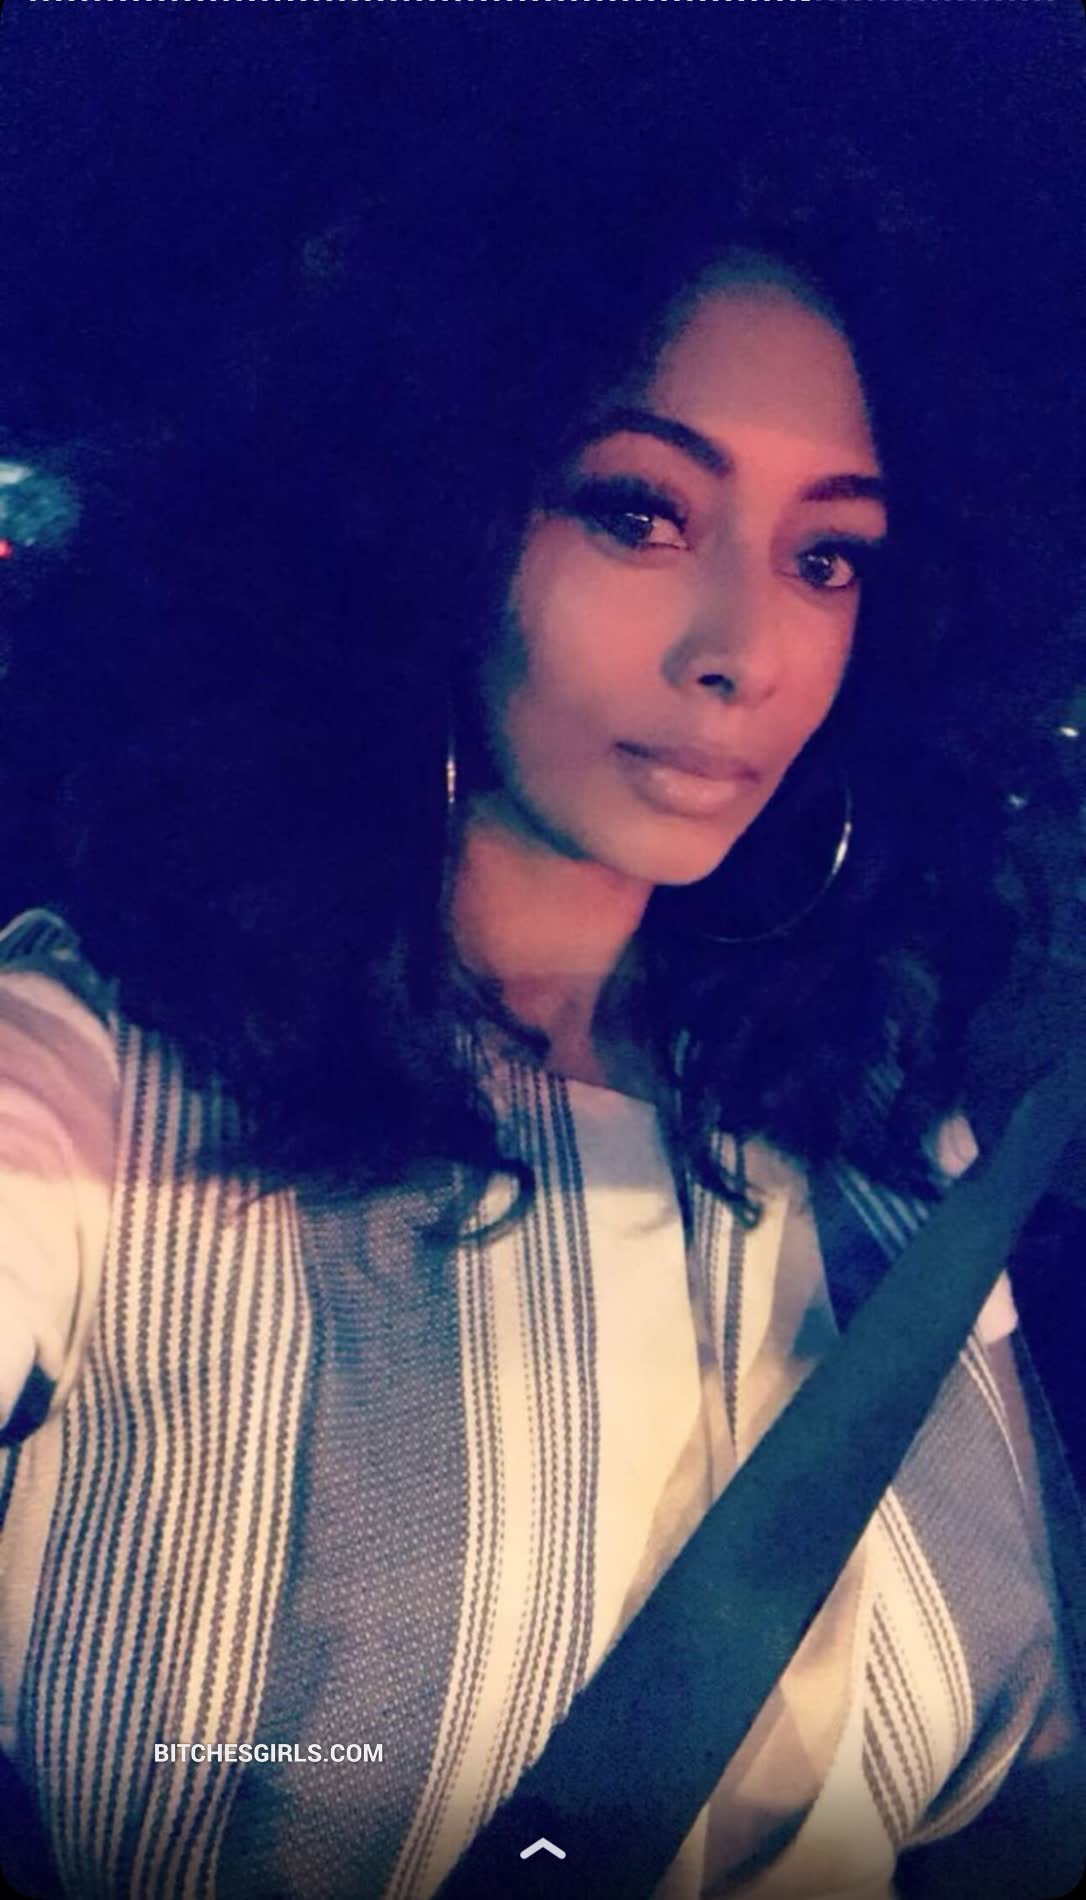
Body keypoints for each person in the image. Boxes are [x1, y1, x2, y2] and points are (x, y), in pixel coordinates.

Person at [0, 181, 1081, 1900]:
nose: (747, 652)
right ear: (425, 528)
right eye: (637, 511)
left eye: (825, 556)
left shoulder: (885, 1138)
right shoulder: (99, 1078)